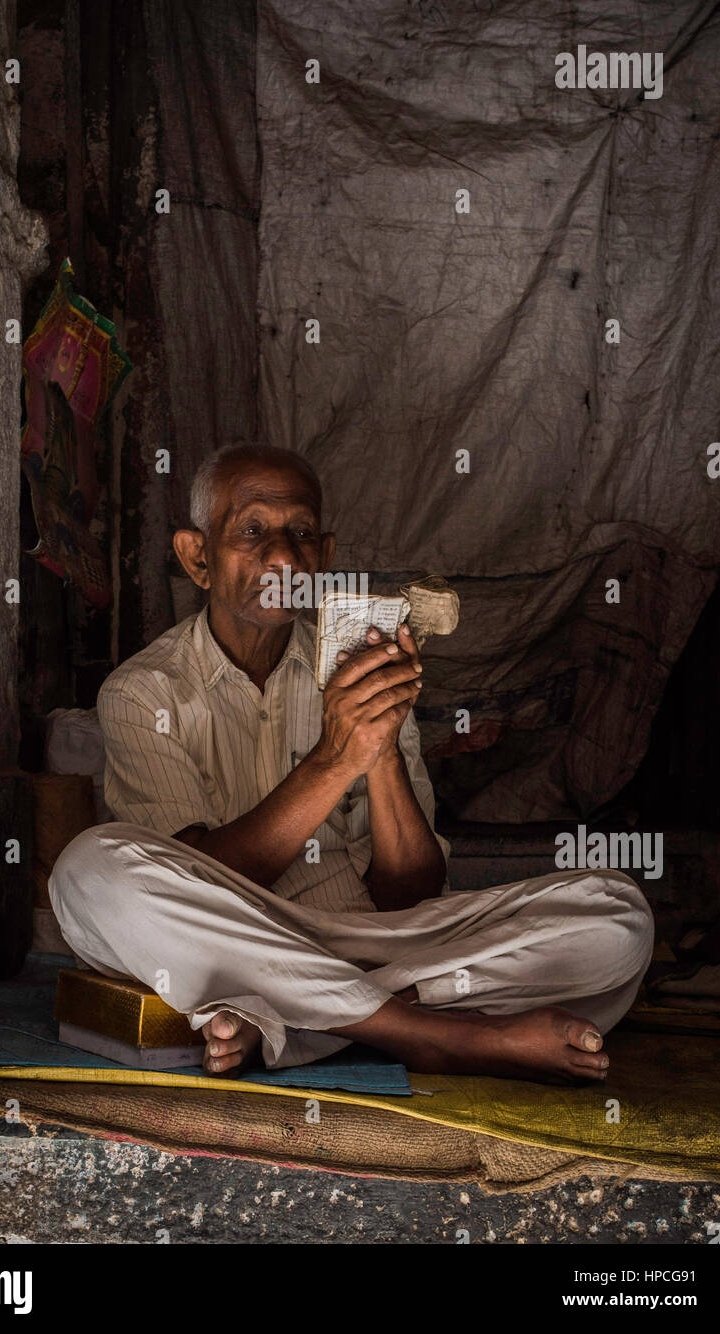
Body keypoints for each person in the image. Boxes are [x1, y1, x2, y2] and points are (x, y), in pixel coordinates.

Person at [50, 443, 654, 1083]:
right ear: (198, 557)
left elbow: (412, 893)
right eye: (252, 530)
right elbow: (210, 878)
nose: (282, 557)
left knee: (617, 914)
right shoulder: (143, 692)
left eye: (301, 534)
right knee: (88, 871)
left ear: (325, 558)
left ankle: (300, 1018)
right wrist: (336, 760)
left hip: (381, 944)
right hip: (233, 933)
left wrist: (381, 746)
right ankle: (432, 1033)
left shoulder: (361, 669)